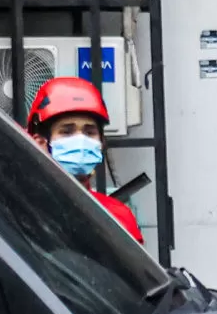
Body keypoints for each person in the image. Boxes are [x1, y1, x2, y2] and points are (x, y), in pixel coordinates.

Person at [26, 75, 143, 243]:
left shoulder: (118, 218)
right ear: (40, 142)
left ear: (101, 143)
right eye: (67, 131)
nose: (81, 140)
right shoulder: (20, 210)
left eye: (89, 132)